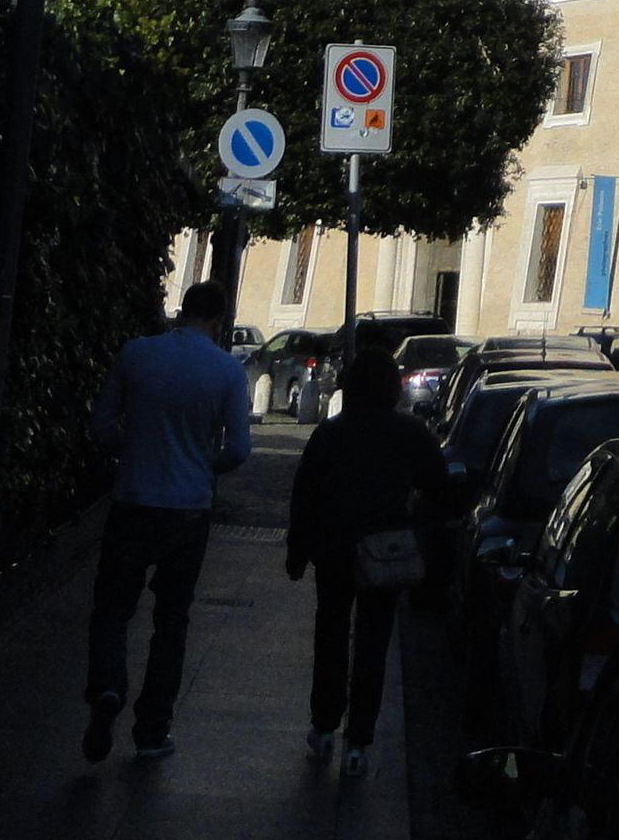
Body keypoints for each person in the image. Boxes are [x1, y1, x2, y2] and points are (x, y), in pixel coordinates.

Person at [82, 281, 256, 764]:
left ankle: (107, 684)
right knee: (172, 620)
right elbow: (239, 448)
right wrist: (203, 464)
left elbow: (101, 428)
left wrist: (133, 450)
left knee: (113, 607)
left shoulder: (137, 354)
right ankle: (152, 728)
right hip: (188, 508)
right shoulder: (226, 371)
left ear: (181, 310)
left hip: (134, 498)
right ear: (220, 318)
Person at [285, 342, 452, 779]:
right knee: (374, 645)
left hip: (335, 548)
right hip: (385, 551)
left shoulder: (331, 433)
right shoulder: (410, 433)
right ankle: (359, 738)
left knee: (332, 636)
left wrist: (297, 551)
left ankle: (323, 724)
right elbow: (440, 485)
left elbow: (305, 495)